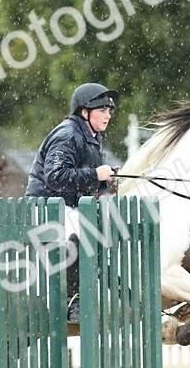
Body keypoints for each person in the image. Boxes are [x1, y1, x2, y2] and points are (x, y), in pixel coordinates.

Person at [26, 82, 121, 320]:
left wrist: (106, 179)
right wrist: (95, 175)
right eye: (102, 110)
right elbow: (55, 177)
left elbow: (83, 180)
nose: (108, 115)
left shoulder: (91, 135)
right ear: (84, 112)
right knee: (84, 234)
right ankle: (72, 300)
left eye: (109, 110)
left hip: (66, 205)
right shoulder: (68, 134)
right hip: (46, 205)